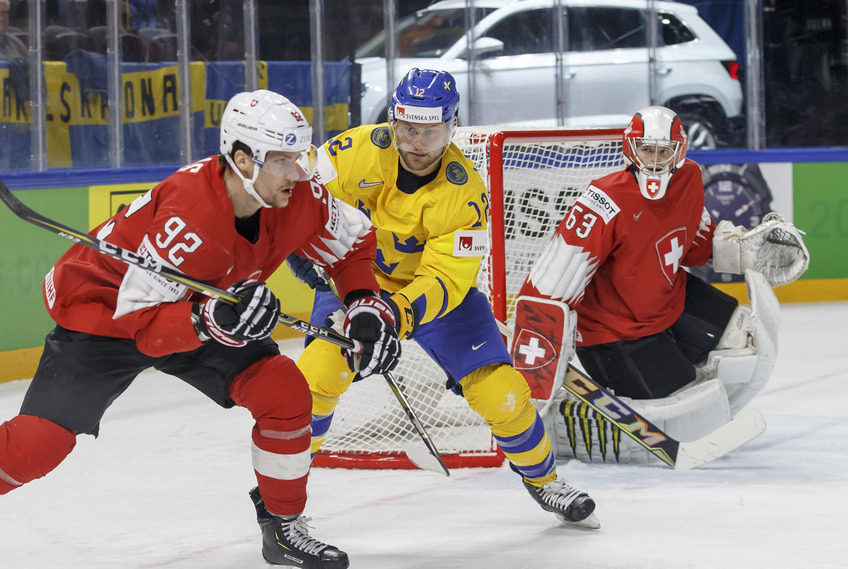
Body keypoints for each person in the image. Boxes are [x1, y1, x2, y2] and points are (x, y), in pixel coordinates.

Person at [0, 90, 402, 569]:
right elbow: (146, 330)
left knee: (283, 388)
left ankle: (284, 532)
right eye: (284, 160)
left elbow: (353, 240)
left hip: (203, 303)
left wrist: (364, 305)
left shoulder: (298, 195)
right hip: (108, 313)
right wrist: (212, 321)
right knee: (38, 445)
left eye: (300, 156)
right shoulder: (190, 218)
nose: (300, 171)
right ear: (243, 158)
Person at [293, 68, 599, 529]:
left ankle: (544, 480)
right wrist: (299, 245)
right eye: (408, 128)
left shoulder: (465, 192)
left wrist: (391, 313)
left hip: (433, 301)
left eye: (430, 131)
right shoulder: (350, 152)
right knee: (311, 384)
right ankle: (284, 501)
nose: (417, 142)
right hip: (354, 285)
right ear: (393, 119)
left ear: (452, 126)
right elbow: (298, 197)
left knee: (503, 395)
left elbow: (447, 278)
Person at [511, 105, 808, 464]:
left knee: (743, 338)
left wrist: (740, 250)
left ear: (679, 151)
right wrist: (539, 353)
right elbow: (551, 283)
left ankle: (707, 408)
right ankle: (576, 423)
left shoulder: (690, 179)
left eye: (663, 151)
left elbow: (695, 246)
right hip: (613, 331)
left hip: (670, 299)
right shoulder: (603, 202)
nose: (654, 160)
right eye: (647, 150)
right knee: (685, 402)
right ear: (631, 149)